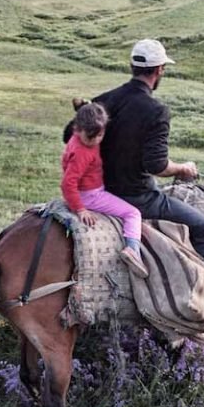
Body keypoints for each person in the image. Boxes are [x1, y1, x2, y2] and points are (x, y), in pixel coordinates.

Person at [64, 38, 204, 270]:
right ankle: (202, 293)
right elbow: (156, 165)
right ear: (159, 70)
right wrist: (182, 168)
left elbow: (69, 134)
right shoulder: (157, 111)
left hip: (97, 190)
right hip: (137, 197)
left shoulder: (104, 100)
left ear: (132, 67)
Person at [61, 102, 148, 279]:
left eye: (99, 136)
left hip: (90, 191)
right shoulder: (82, 152)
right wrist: (80, 209)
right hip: (91, 196)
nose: (95, 141)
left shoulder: (78, 137)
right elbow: (67, 183)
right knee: (133, 213)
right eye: (91, 137)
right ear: (79, 129)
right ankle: (133, 251)